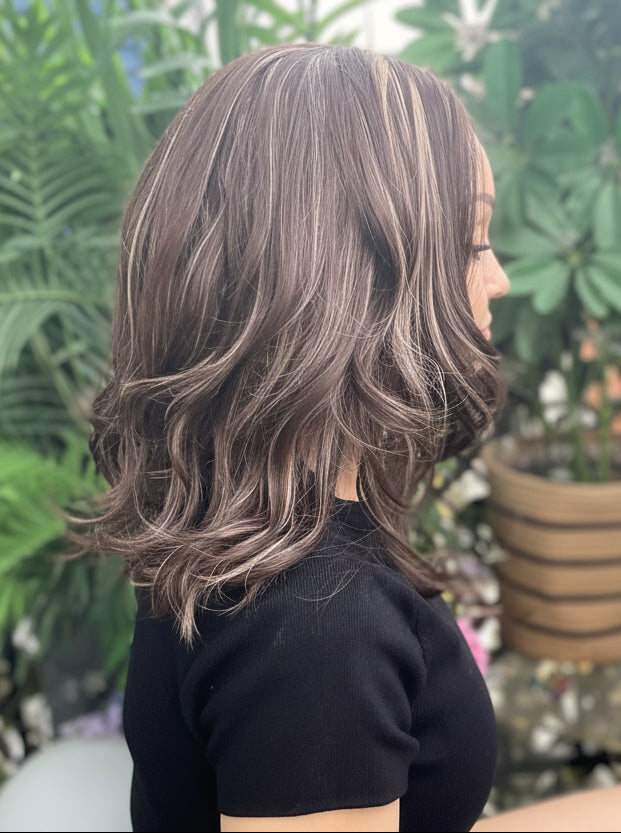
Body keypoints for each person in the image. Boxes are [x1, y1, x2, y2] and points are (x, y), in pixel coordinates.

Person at [77, 41, 538, 832]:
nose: (497, 276)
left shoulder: (237, 520)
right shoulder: (317, 632)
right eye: (472, 240)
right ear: (357, 280)